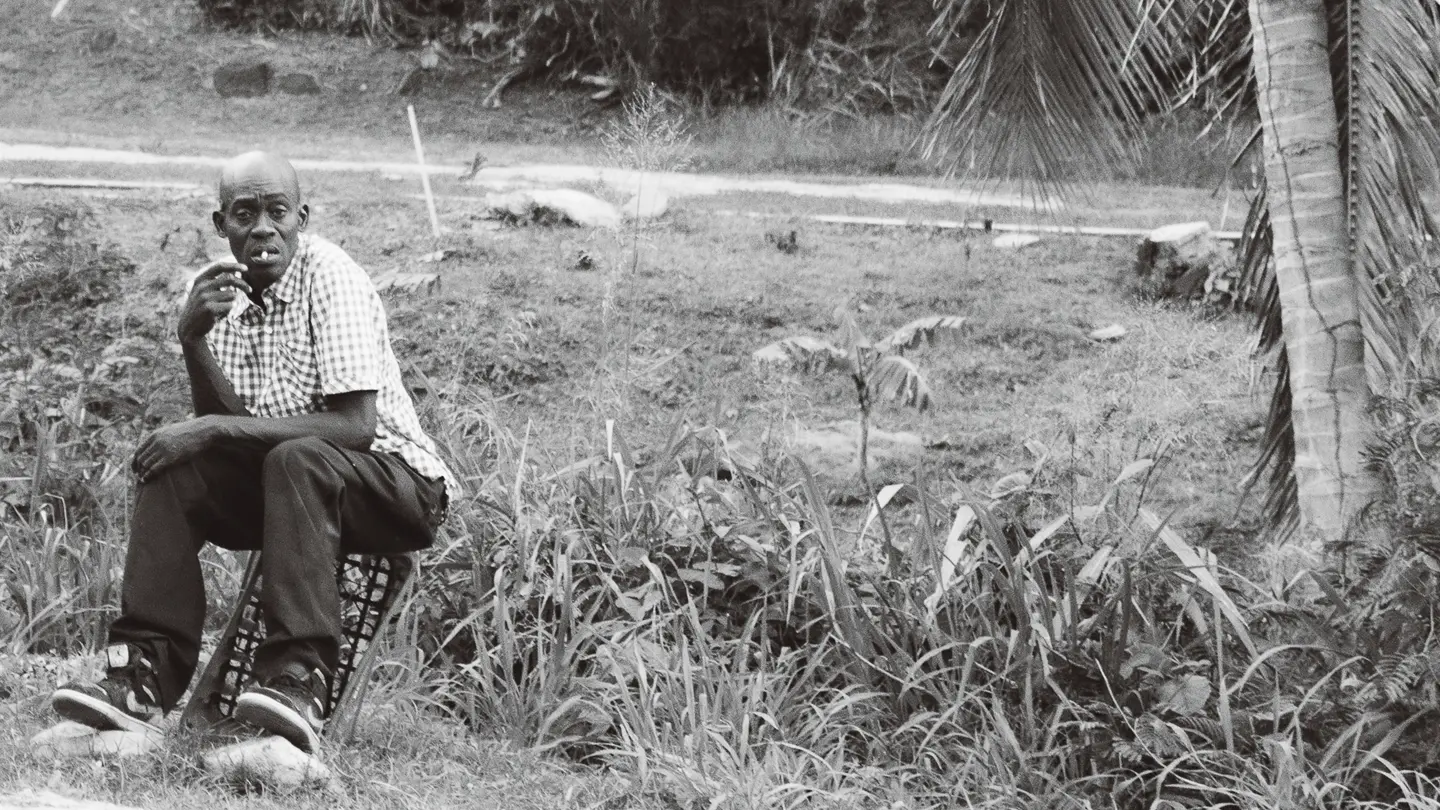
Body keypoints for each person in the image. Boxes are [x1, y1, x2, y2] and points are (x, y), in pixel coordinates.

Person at [50, 151, 457, 755]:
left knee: (296, 457)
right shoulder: (222, 293)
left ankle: (297, 679)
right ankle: (141, 676)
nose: (263, 228)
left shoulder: (332, 276)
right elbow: (239, 432)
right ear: (222, 225)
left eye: (277, 212)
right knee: (176, 466)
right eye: (246, 214)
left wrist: (212, 430)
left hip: (398, 485)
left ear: (302, 217)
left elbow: (353, 426)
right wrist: (193, 340)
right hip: (293, 483)